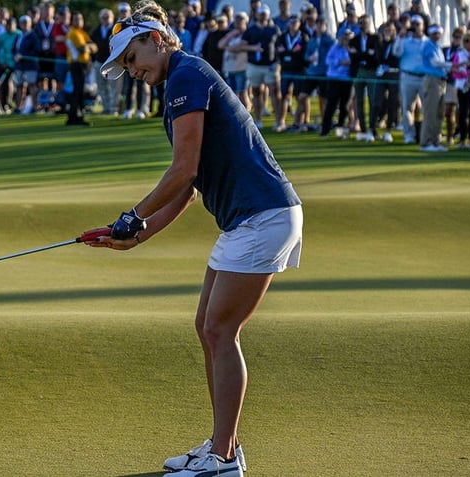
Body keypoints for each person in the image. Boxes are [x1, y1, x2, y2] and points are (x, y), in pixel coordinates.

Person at [93, 2, 302, 476]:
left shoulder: (187, 75)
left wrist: (132, 215)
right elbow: (189, 187)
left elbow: (182, 169)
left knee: (220, 331)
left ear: (158, 38)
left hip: (264, 215)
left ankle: (224, 457)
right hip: (247, 219)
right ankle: (222, 446)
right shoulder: (177, 84)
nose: (133, 70)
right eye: (125, 64)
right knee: (206, 327)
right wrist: (137, 233)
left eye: (133, 56)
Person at [241, 4, 281, 129]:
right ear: (257, 15)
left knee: (274, 91)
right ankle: (258, 120)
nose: (263, 16)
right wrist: (252, 48)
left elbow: (280, 45)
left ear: (268, 15)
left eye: (265, 14)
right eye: (261, 14)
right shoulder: (251, 30)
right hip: (255, 65)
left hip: (270, 65)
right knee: (256, 92)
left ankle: (279, 121)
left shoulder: (274, 29)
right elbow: (242, 45)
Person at [394, 15, 426, 144]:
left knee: (427, 107)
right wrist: (400, 37)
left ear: (423, 26)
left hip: (424, 77)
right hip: (408, 76)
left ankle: (427, 134)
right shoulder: (405, 40)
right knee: (407, 107)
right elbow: (396, 52)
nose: (416, 27)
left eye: (418, 24)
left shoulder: (427, 42)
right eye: (413, 24)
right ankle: (409, 135)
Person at [419, 24, 449, 152]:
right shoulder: (428, 45)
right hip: (432, 80)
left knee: (439, 112)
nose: (437, 35)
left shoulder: (437, 47)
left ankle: (436, 141)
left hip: (441, 81)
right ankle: (426, 142)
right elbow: (435, 63)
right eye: (435, 33)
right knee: (430, 112)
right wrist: (453, 65)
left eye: (439, 33)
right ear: (430, 34)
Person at [349, 14, 378, 142]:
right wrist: (366, 54)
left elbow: (374, 56)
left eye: (365, 23)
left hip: (371, 71)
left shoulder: (375, 38)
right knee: (359, 101)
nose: (363, 25)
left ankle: (373, 128)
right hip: (359, 71)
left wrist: (361, 55)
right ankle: (363, 128)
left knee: (373, 100)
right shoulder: (354, 40)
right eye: (361, 23)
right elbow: (353, 56)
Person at [320, 29, 353, 138]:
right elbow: (328, 61)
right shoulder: (335, 47)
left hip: (347, 80)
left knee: (345, 106)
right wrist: (340, 62)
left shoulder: (352, 49)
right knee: (331, 105)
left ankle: (340, 129)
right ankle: (325, 129)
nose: (347, 40)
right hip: (334, 79)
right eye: (345, 38)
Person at [65, 11, 96, 126]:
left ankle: (75, 116)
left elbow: (94, 46)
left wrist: (89, 47)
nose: (79, 21)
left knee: (79, 91)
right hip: (77, 65)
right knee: (77, 91)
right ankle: (75, 117)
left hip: (83, 65)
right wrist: (89, 47)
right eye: (76, 19)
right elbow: (83, 49)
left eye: (80, 19)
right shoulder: (73, 33)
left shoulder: (82, 33)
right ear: (72, 21)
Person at [372, 21, 400, 143]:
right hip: (381, 74)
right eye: (386, 31)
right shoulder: (380, 42)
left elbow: (396, 59)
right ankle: (371, 130)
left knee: (392, 103)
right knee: (377, 102)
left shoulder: (397, 43)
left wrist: (388, 64)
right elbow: (379, 58)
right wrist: (384, 41)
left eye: (391, 31)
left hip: (394, 74)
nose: (389, 33)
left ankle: (388, 130)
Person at [90, 8, 118, 115]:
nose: (105, 19)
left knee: (114, 87)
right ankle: (106, 107)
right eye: (103, 17)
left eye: (107, 17)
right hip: (99, 61)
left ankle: (113, 108)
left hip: (112, 62)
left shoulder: (116, 30)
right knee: (101, 86)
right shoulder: (96, 30)